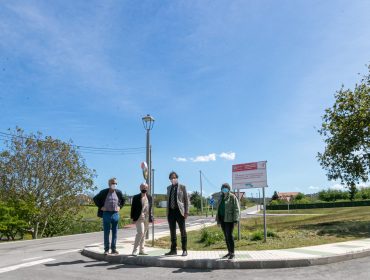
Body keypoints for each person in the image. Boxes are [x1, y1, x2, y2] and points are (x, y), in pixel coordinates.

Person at [93, 177, 125, 255]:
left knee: (115, 232)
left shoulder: (118, 192)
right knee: (106, 232)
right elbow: (95, 199)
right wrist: (101, 207)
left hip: (115, 214)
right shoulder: (104, 192)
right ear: (109, 184)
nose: (114, 185)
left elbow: (123, 200)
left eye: (115, 183)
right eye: (113, 183)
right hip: (106, 214)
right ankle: (106, 249)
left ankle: (113, 249)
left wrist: (119, 207)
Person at [165, 171, 189, 257]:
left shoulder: (182, 187)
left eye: (174, 177)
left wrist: (186, 212)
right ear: (170, 179)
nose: (173, 179)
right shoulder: (168, 188)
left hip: (180, 212)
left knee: (183, 231)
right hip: (171, 212)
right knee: (172, 231)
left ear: (177, 178)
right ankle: (173, 250)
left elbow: (186, 200)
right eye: (171, 178)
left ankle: (184, 250)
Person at [215, 183, 240, 260]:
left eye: (226, 188)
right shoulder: (220, 197)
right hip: (222, 219)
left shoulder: (232, 197)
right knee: (226, 236)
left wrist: (236, 219)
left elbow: (236, 209)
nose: (224, 189)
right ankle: (229, 252)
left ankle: (232, 253)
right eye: (223, 188)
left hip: (229, 219)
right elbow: (218, 209)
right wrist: (218, 220)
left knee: (229, 235)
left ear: (229, 189)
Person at [130, 183, 153, 256]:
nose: (144, 188)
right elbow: (133, 208)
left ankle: (141, 250)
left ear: (147, 188)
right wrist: (133, 218)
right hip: (139, 218)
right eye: (143, 187)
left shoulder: (149, 197)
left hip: (146, 218)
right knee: (141, 232)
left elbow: (150, 207)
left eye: (145, 187)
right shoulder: (136, 197)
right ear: (140, 188)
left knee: (144, 234)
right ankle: (134, 250)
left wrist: (151, 216)